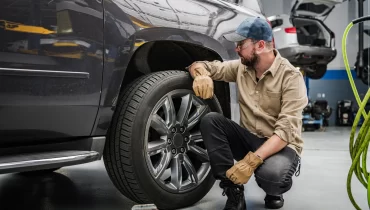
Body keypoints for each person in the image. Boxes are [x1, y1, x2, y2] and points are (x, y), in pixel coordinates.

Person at [187, 16, 308, 210]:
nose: (236, 49)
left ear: (259, 45)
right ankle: (234, 191)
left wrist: (251, 162)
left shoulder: (290, 77)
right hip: (250, 138)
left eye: (241, 44)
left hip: (280, 145)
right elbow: (203, 65)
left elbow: (286, 131)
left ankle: (273, 189)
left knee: (273, 178)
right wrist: (201, 75)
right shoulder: (241, 67)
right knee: (212, 121)